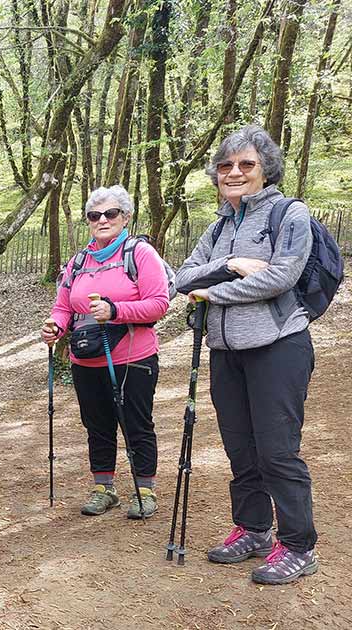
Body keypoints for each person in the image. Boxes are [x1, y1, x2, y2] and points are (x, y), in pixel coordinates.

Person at [175, 124, 319, 585]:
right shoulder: (219, 226)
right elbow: (182, 278)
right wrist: (230, 265)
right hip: (225, 351)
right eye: (225, 166)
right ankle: (255, 529)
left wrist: (213, 292)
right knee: (241, 448)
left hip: (278, 348)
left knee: (278, 452)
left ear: (265, 169)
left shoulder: (289, 214)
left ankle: (298, 546)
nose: (233, 172)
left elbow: (281, 277)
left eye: (246, 164)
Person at [40, 185, 169, 519]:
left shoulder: (140, 254)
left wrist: (116, 311)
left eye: (110, 213)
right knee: (96, 425)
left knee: (135, 423)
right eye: (94, 215)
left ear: (125, 217)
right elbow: (63, 307)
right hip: (85, 358)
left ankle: (144, 490)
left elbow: (159, 304)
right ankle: (104, 488)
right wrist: (55, 326)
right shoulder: (78, 262)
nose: (102, 220)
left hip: (132, 357)